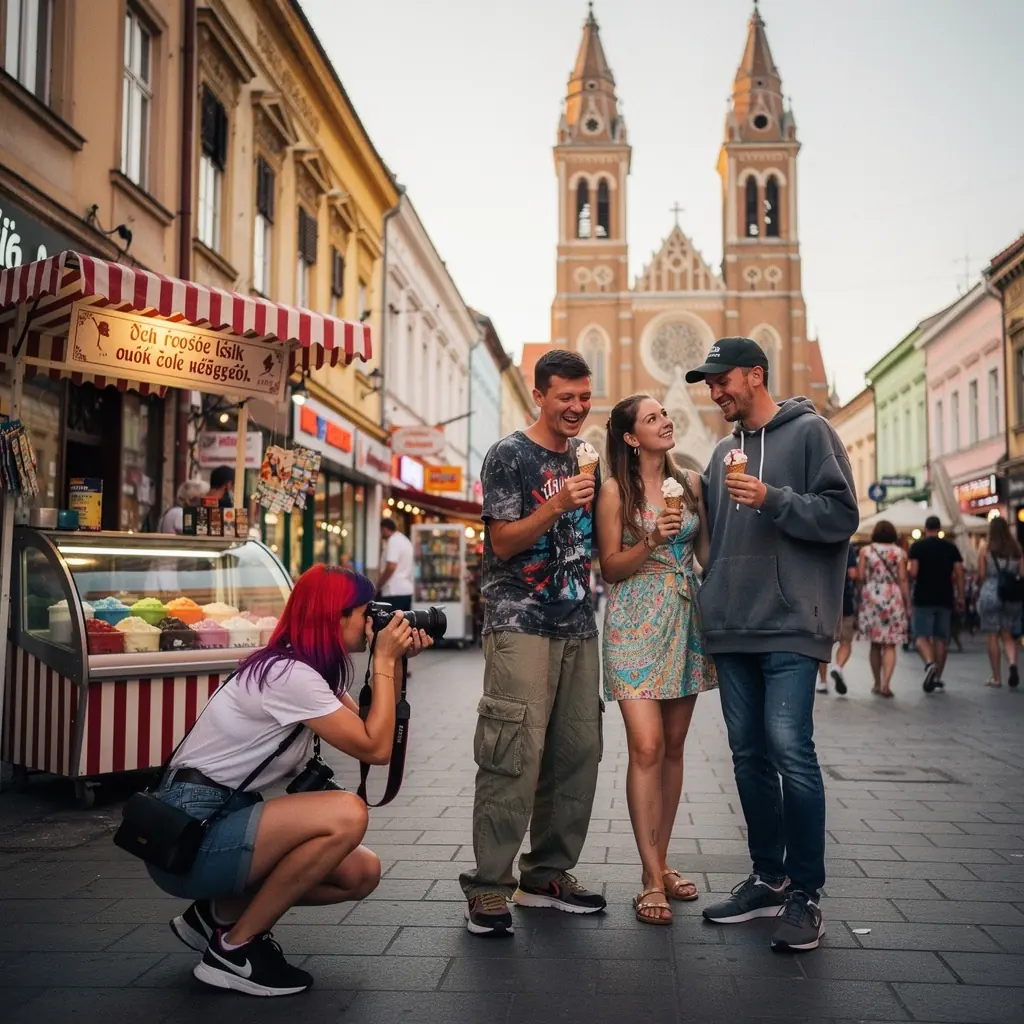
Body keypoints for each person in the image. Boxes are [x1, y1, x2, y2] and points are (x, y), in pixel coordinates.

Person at [146, 565, 432, 996]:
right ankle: (234, 951)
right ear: (335, 615)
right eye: (365, 612)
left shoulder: (308, 672)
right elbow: (375, 749)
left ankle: (219, 912)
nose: (373, 621)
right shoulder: (289, 675)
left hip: (216, 819)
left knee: (361, 873)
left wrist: (393, 664)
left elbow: (371, 728)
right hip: (190, 830)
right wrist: (387, 660)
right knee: (347, 814)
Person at [685, 337, 857, 953]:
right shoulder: (723, 450)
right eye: (708, 383)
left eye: (722, 379)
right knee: (748, 754)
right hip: (732, 626)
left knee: (790, 750)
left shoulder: (811, 434)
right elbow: (710, 534)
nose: (714, 391)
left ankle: (805, 893)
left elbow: (842, 516)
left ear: (755, 375)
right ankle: (768, 876)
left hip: (789, 624)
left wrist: (775, 499)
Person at [460, 348, 606, 936]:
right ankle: (490, 888)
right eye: (565, 397)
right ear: (539, 396)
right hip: (520, 620)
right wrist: (556, 504)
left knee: (576, 755)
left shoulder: (587, 458)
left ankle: (545, 874)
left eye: (584, 396)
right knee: (512, 753)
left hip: (578, 622)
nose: (576, 407)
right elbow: (501, 543)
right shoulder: (509, 455)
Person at [596, 394, 717, 925]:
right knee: (644, 745)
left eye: (665, 414)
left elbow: (707, 554)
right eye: (652, 418)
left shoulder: (691, 484)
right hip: (631, 620)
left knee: (672, 747)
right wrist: (649, 539)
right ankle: (649, 876)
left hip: (684, 618)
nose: (665, 421)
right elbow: (610, 568)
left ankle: (663, 860)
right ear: (630, 437)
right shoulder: (612, 491)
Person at [908, 515, 965, 693]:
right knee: (941, 638)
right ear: (939, 529)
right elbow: (960, 572)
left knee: (920, 637)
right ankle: (938, 677)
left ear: (926, 529)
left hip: (923, 597)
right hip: (945, 597)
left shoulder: (917, 547)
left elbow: (914, 572)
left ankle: (929, 663)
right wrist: (961, 596)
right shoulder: (950, 547)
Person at [857, 521, 910, 698]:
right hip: (893, 596)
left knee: (875, 643)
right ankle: (887, 683)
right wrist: (908, 602)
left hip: (872, 597)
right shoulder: (899, 553)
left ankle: (877, 684)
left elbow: (860, 576)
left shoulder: (866, 551)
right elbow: (903, 579)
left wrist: (861, 594)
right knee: (890, 644)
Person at [976, 516, 1024, 688]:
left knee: (992, 636)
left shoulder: (985, 548)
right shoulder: (1017, 548)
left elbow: (981, 575)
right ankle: (1012, 663)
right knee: (1007, 634)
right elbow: (1022, 573)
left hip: (991, 593)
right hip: (1011, 595)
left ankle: (996, 677)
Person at [817, 543, 858, 695]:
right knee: (846, 641)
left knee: (822, 641)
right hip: (844, 597)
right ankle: (838, 667)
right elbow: (853, 573)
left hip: (821, 597)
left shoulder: (818, 541)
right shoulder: (848, 546)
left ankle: (822, 682)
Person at [377, 517, 415, 612]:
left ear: (385, 529)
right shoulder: (405, 541)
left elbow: (391, 566)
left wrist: (378, 585)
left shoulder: (393, 541)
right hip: (406, 590)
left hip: (393, 592)